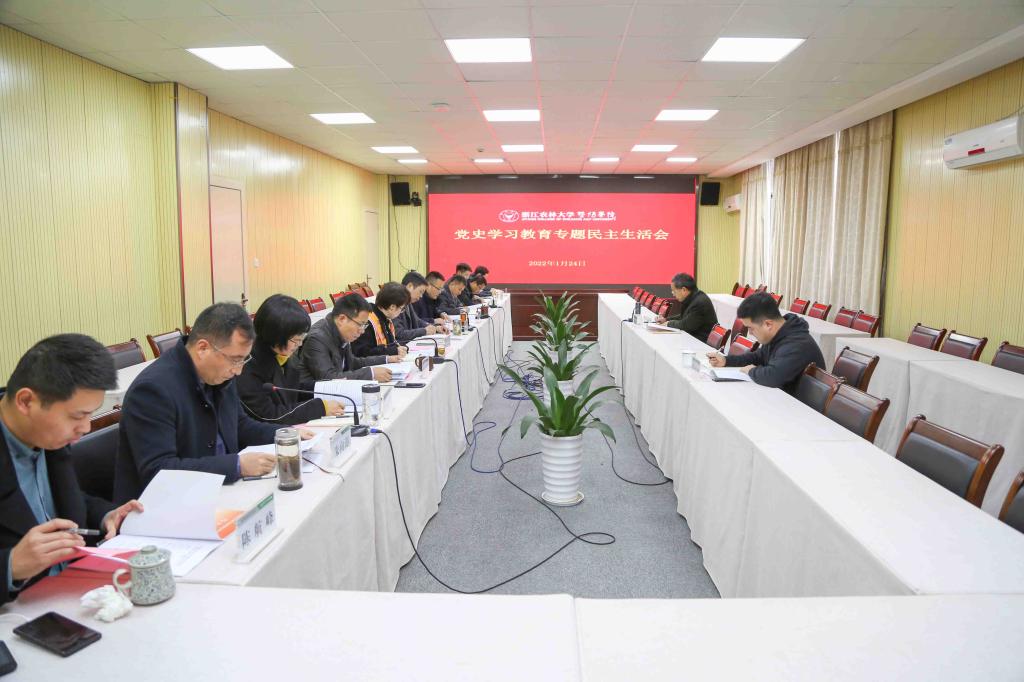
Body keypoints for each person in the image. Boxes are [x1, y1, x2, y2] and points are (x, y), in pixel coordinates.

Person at [1, 334, 144, 605]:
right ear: (26, 402)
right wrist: (10, 566)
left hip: (75, 591)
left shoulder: (46, 434)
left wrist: (107, 515)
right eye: (77, 416)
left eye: (90, 414)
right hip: (17, 609)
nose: (86, 428)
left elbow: (62, 501)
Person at [115, 303, 291, 502]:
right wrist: (237, 466)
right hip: (168, 505)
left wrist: (286, 434)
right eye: (235, 360)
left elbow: (240, 425)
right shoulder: (153, 390)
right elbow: (159, 470)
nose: (238, 371)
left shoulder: (218, 374)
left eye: (243, 360)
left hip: (220, 492)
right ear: (203, 348)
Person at [237, 294, 347, 425]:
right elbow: (268, 415)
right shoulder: (247, 365)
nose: (299, 344)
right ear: (276, 336)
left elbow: (291, 390)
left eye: (301, 338)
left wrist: (328, 386)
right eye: (296, 340)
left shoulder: (280, 353)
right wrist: (319, 408)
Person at [707, 292, 825, 394]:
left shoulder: (797, 344)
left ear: (768, 324)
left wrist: (751, 371)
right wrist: (726, 361)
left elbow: (773, 376)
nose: (750, 333)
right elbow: (757, 357)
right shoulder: (778, 333)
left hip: (800, 408)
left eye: (751, 328)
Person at [297, 293, 394, 384]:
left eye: (364, 325)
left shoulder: (340, 331)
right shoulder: (317, 339)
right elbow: (328, 378)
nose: (362, 331)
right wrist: (370, 374)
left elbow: (352, 362)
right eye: (360, 324)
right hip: (313, 395)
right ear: (342, 319)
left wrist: (386, 359)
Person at [352, 282, 411, 360]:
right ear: (392, 307)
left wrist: (400, 347)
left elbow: (390, 343)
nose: (401, 312)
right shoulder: (367, 321)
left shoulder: (385, 318)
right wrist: (393, 351)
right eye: (402, 308)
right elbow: (362, 353)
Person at [656, 273, 718, 341]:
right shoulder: (693, 297)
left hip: (701, 342)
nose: (673, 294)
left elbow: (685, 325)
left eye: (674, 291)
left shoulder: (699, 302)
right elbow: (684, 316)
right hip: (693, 338)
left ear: (684, 290)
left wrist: (668, 323)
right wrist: (666, 319)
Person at [395, 272, 440, 343]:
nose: (421, 296)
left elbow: (417, 321)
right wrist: (424, 331)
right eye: (420, 291)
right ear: (410, 286)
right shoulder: (395, 302)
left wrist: (434, 327)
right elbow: (399, 334)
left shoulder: (408, 301)